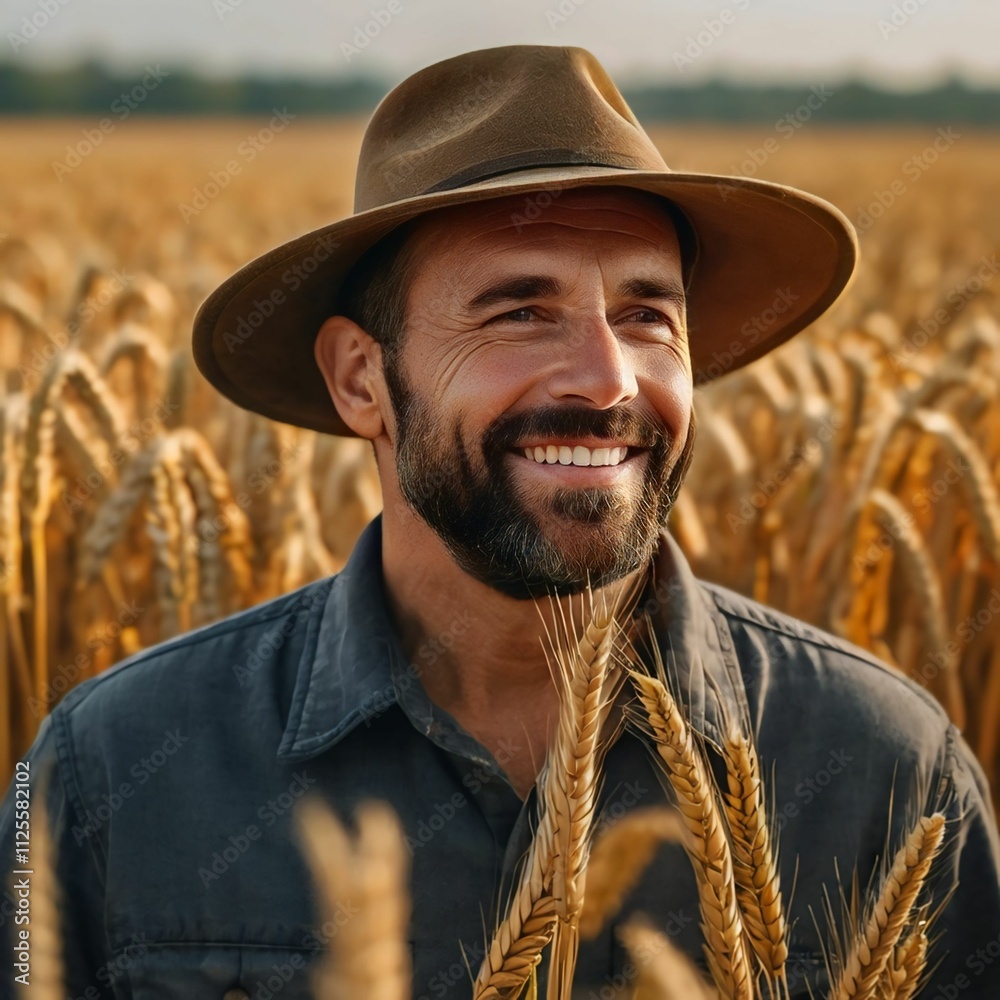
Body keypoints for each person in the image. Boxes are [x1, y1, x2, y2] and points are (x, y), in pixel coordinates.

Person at [3, 44, 999, 1000]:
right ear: (361, 378)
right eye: (519, 310)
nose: (608, 377)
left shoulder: (890, 778)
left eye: (648, 314)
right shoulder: (113, 776)